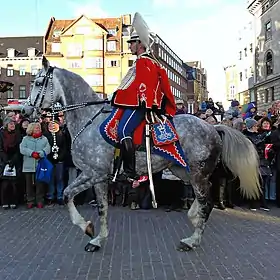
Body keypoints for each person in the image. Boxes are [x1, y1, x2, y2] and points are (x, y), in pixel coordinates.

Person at [110, 24, 176, 183]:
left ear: (140, 44)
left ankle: (130, 171)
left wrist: (120, 97)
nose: (130, 46)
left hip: (139, 105)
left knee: (123, 131)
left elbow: (142, 86)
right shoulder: (142, 61)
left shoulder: (144, 62)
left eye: (132, 43)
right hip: (133, 103)